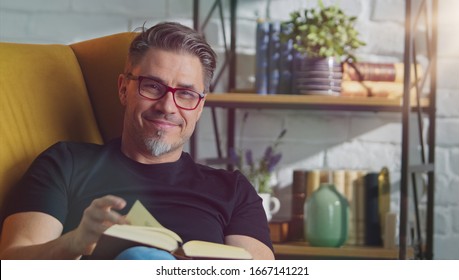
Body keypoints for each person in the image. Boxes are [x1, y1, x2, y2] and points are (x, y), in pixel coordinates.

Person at [0, 22, 274, 260]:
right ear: (123, 89)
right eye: (153, 86)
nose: (168, 106)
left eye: (186, 94)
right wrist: (73, 243)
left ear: (200, 107)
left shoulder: (233, 191)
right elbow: (13, 263)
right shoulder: (65, 164)